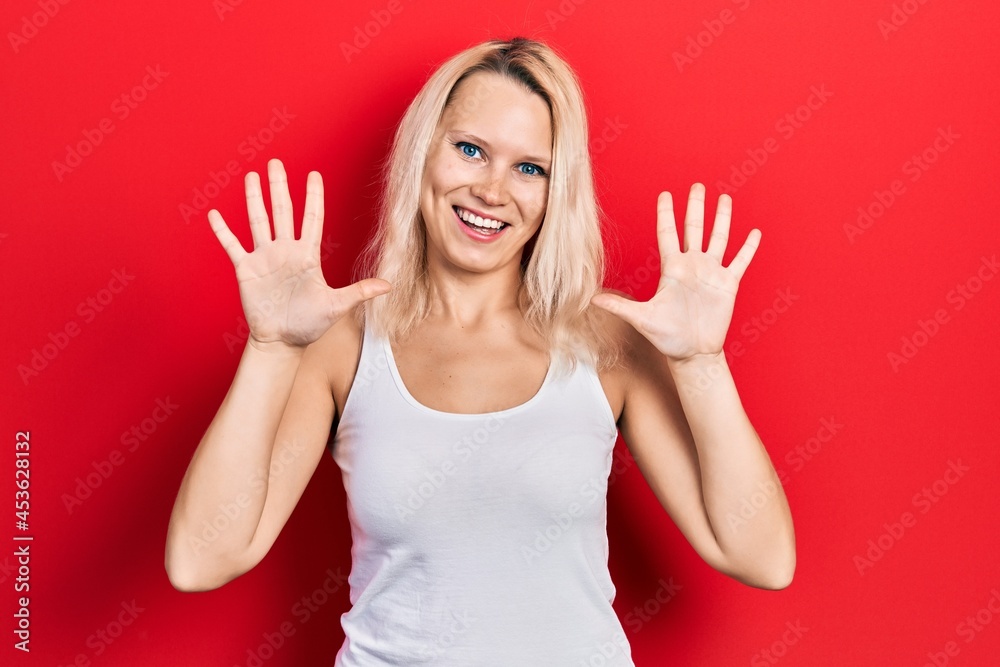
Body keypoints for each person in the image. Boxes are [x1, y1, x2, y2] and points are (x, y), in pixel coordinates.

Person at [165, 36, 795, 665]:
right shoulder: (341, 344)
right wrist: (271, 348)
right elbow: (200, 560)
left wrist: (702, 366)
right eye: (470, 150)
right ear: (423, 155)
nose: (493, 191)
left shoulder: (608, 344)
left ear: (556, 193)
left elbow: (761, 558)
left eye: (530, 168)